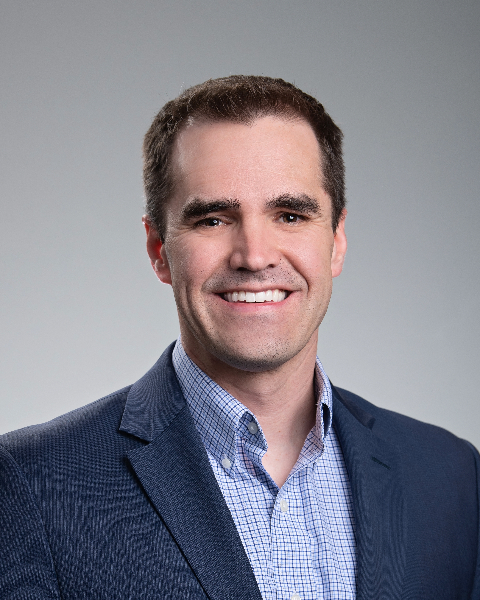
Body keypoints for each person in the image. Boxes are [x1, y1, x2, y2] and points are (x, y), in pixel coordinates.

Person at [0, 76, 478, 600]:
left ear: (337, 240)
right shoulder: (32, 483)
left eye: (290, 215)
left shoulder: (449, 476)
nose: (254, 255)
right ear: (159, 249)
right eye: (213, 219)